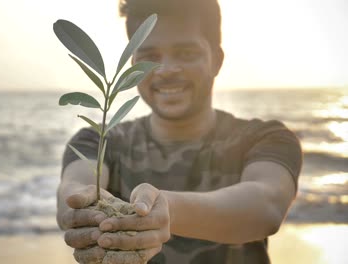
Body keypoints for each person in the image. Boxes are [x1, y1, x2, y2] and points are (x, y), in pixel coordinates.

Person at [57, 0, 302, 263]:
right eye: (150, 57)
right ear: (133, 66)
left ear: (216, 60)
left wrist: (166, 209)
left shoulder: (265, 138)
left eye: (186, 53)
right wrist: (82, 208)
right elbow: (73, 190)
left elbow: (266, 206)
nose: (166, 70)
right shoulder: (98, 140)